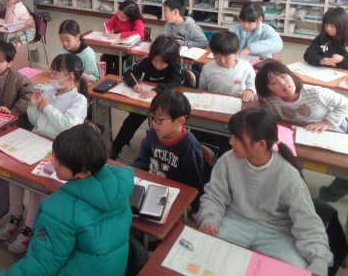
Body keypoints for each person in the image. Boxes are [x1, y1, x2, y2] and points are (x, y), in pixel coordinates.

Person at [197, 109, 332, 275]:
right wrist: (210, 218)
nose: (231, 142)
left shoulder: (288, 175)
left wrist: (319, 259)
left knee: (297, 270)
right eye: (232, 135)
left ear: (260, 145)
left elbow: (307, 222)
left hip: (277, 234)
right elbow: (214, 196)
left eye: (237, 138)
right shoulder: (228, 160)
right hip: (236, 223)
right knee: (203, 254)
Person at [0, 125, 133, 276]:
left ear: (83, 173)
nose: (53, 163)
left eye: (60, 162)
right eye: (55, 156)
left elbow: (37, 269)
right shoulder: (118, 189)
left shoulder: (58, 211)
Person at [0, 54, 88, 254]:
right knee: (15, 174)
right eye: (51, 71)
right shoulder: (49, 92)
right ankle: (15, 216)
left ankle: (30, 227)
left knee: (37, 185)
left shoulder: (79, 100)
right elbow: (36, 120)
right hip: (37, 140)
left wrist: (48, 107)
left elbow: (68, 126)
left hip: (57, 148)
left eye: (56, 73)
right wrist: (33, 105)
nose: (52, 76)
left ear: (71, 77)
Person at [256, 59, 348, 203]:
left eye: (283, 76)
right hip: (300, 135)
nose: (283, 83)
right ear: (269, 91)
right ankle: (297, 191)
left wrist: (326, 122)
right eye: (274, 83)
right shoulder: (272, 101)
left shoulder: (314, 92)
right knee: (289, 162)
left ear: (291, 74)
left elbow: (345, 104)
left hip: (332, 130)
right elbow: (275, 119)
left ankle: (326, 197)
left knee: (344, 169)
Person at [111, 35, 183, 159]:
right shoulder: (147, 60)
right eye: (155, 61)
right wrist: (134, 84)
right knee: (130, 124)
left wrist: (157, 90)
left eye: (162, 63)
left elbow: (176, 81)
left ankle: (157, 155)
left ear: (171, 60)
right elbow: (129, 74)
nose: (157, 65)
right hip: (144, 100)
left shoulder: (175, 64)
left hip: (165, 104)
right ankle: (114, 150)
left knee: (159, 127)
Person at [133, 90, 204, 212]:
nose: (154, 123)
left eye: (159, 119)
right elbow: (142, 161)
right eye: (153, 117)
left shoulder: (188, 145)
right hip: (150, 187)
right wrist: (131, 176)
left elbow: (194, 183)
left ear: (179, 121)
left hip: (174, 195)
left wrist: (194, 207)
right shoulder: (154, 134)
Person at [199, 31, 255, 103]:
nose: (222, 60)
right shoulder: (207, 68)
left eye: (226, 56)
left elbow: (253, 84)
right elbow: (202, 89)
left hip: (238, 102)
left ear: (236, 52)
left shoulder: (246, 67)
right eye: (217, 56)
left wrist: (250, 90)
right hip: (214, 102)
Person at [102, 0, 145, 75]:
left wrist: (121, 34)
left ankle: (116, 77)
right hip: (116, 46)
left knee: (119, 63)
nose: (118, 16)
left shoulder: (138, 21)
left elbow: (139, 33)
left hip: (129, 48)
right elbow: (110, 24)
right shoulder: (117, 15)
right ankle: (104, 77)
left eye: (122, 17)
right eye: (118, 13)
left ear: (131, 17)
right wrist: (107, 29)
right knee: (105, 58)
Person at [58, 19, 100, 84]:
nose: (65, 43)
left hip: (83, 85)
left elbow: (95, 78)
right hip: (67, 83)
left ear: (77, 37)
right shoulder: (62, 49)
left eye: (68, 40)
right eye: (62, 40)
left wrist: (78, 74)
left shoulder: (87, 53)